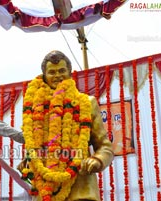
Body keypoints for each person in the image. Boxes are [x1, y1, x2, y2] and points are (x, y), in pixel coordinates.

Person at [19, 50, 114, 201]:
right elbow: (36, 144)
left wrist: (97, 160)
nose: (57, 75)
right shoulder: (36, 107)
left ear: (70, 73)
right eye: (52, 72)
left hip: (80, 185)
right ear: (44, 76)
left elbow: (105, 146)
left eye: (62, 71)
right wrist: (28, 161)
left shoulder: (87, 103)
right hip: (46, 189)